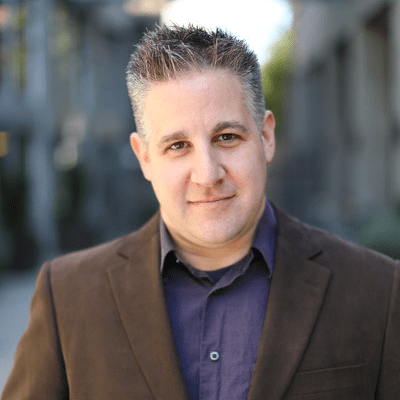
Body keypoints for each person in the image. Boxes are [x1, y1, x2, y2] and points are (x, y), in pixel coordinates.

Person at [2, 25, 400, 400]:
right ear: (145, 157)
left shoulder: (378, 290)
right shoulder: (67, 296)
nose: (208, 175)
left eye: (227, 137)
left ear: (266, 136)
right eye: (178, 146)